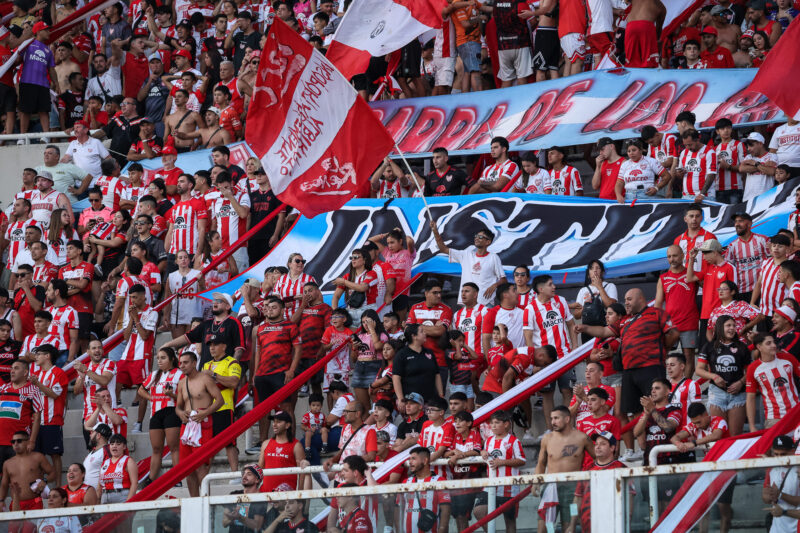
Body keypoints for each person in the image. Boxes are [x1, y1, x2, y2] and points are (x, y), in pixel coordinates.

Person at [577, 288, 679, 419]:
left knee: (656, 405)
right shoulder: (624, 320)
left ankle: (658, 432)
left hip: (651, 367)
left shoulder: (656, 313)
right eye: (625, 300)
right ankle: (642, 434)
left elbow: (674, 334)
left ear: (640, 298)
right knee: (634, 410)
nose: (626, 303)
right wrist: (584, 328)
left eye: (629, 299)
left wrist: (665, 349)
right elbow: (603, 332)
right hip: (629, 371)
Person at [524, 274, 578, 421]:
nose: (554, 287)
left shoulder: (561, 301)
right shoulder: (530, 308)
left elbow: (571, 324)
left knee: (567, 391)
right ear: (540, 289)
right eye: (550, 284)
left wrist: (575, 348)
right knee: (547, 394)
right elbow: (528, 337)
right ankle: (550, 429)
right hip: (545, 361)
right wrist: (534, 362)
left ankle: (567, 426)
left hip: (565, 356)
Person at [533, 406, 593, 532]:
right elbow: (541, 463)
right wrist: (536, 481)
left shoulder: (582, 438)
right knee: (544, 527)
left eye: (556, 418)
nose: (553, 422)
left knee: (569, 527)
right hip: (550, 487)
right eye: (551, 418)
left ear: (567, 419)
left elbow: (598, 459)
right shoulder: (547, 438)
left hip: (573, 489)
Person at [252, 296, 302, 441]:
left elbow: (298, 349)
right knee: (263, 410)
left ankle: (290, 442)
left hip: (281, 374)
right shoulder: (261, 328)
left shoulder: (290, 326)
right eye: (268, 308)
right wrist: (255, 374)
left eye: (274, 307)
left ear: (282, 309)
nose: (270, 310)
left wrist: (292, 370)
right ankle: (262, 442)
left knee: (286, 408)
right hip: (262, 375)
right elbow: (258, 353)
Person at [175, 351, 224, 497]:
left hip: (203, 425)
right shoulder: (181, 383)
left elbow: (220, 400)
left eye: (185, 362)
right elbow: (178, 406)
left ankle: (205, 501)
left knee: (201, 466)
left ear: (194, 363)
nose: (182, 366)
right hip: (187, 425)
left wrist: (205, 413)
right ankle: (194, 501)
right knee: (187, 468)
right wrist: (180, 413)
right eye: (180, 363)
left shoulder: (205, 379)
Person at [430, 221, 505, 307]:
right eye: (476, 236)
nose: (477, 238)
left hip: (485, 303)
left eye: (480, 237)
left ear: (488, 242)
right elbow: (443, 249)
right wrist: (435, 231)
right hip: (466, 303)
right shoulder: (466, 254)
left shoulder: (493, 257)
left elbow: (503, 280)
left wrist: (495, 285)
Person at [138, 347, 182, 485]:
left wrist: (171, 395)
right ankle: (151, 479)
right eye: (158, 358)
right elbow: (141, 390)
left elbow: (184, 396)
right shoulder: (154, 374)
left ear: (172, 359)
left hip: (172, 411)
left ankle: (177, 478)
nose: (159, 361)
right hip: (155, 413)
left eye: (163, 358)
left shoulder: (180, 374)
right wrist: (151, 398)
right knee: (156, 449)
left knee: (174, 447)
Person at [163, 291, 244, 367]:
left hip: (223, 371)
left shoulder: (234, 323)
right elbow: (187, 337)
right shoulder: (206, 324)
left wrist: (232, 367)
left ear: (228, 306)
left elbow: (239, 349)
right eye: (214, 300)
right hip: (205, 370)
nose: (215, 302)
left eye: (219, 301)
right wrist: (167, 344)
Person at [568, 432, 627, 533]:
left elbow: (629, 500)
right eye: (596, 444)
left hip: (612, 526)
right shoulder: (586, 470)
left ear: (612, 448)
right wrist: (572, 525)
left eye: (603, 444)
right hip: (588, 527)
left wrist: (625, 523)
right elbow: (577, 499)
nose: (598, 447)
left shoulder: (622, 469)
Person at [29, 344, 68, 485]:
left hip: (53, 420)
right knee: (37, 456)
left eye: (39, 354)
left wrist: (37, 384)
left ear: (47, 356)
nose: (36, 357)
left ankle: (58, 487)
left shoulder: (58, 373)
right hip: (37, 422)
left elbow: (54, 394)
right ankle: (39, 487)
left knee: (55, 454)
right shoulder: (37, 374)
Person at [204, 335, 242, 475]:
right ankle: (204, 477)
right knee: (208, 445)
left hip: (225, 407)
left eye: (215, 344)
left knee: (229, 443)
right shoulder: (206, 365)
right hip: (208, 408)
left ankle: (235, 474)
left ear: (224, 346)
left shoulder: (232, 362)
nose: (212, 348)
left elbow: (234, 382)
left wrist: (214, 375)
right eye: (210, 345)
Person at [746, 332, 800, 429]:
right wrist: (752, 426)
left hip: (796, 413)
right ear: (759, 347)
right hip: (774, 419)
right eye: (768, 343)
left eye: (774, 342)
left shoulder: (787, 358)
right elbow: (750, 398)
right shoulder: (753, 368)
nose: (774, 345)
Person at [407, 279, 452, 386]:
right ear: (426, 293)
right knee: (419, 395)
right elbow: (408, 331)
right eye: (435, 293)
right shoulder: (415, 308)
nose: (439, 295)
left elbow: (439, 331)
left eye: (440, 292)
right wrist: (433, 328)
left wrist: (417, 327)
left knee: (438, 395)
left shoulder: (446, 309)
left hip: (439, 361)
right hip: (417, 360)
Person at [0, 360, 43, 471]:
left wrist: (32, 441)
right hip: (0, 440)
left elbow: (37, 417)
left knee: (18, 476)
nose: (12, 371)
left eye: (16, 368)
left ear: (25, 372)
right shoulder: (3, 388)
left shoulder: (33, 390)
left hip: (18, 442)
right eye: (11, 368)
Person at [397, 447, 451, 533]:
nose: (410, 462)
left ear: (425, 461)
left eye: (414, 459)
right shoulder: (406, 482)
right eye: (409, 459)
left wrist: (442, 529)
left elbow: (445, 509)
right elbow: (398, 507)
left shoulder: (439, 481)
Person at [0, 430, 54, 511]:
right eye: (13, 442)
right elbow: (4, 485)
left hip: (35, 502)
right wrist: (1, 500)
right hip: (16, 503)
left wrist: (45, 481)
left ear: (28, 442)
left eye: (19, 441)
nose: (15, 444)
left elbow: (53, 473)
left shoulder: (38, 457)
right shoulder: (7, 463)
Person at [725, 212, 770, 303]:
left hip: (763, 288)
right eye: (736, 222)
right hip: (742, 291)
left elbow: (772, 260)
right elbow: (728, 268)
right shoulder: (732, 246)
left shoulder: (763, 240)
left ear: (749, 224)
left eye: (740, 221)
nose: (737, 224)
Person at [258, 410, 307, 493]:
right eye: (274, 422)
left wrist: (300, 493)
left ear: (287, 425)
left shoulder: (296, 445)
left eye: (278, 422)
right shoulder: (265, 443)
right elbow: (259, 469)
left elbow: (302, 472)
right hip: (265, 494)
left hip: (286, 496)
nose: (274, 424)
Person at [393, 325, 443, 403]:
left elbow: (437, 374)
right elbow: (396, 377)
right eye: (422, 332)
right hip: (410, 401)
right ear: (414, 336)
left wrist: (441, 394)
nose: (425, 333)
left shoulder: (429, 352)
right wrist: (400, 398)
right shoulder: (402, 354)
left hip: (430, 400)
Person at [762, 435, 800, 531]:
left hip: (795, 528)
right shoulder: (771, 468)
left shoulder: (798, 470)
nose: (779, 458)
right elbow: (765, 497)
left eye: (783, 454)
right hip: (776, 528)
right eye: (776, 454)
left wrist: (780, 495)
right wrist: (769, 496)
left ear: (792, 451)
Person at [752, 234, 791, 327]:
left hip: (780, 313)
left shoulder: (790, 267)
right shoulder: (766, 262)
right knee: (762, 336)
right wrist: (752, 302)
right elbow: (759, 283)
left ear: (787, 249)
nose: (776, 248)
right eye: (774, 245)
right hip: (763, 312)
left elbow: (792, 289)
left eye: (780, 246)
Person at [224, 464, 269, 533]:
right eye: (244, 474)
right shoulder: (234, 495)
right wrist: (231, 518)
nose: (244, 476)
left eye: (249, 474)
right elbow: (224, 523)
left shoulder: (260, 498)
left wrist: (239, 517)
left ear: (257, 480)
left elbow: (257, 526)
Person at [97, 433, 137, 503]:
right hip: (105, 496)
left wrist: (128, 502)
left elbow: (134, 483)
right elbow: (99, 485)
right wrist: (97, 502)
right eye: (112, 444)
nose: (114, 446)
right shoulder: (105, 462)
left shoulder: (128, 461)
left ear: (124, 446)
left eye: (118, 444)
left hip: (122, 496)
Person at [625, 0, 666, 68]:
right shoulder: (658, 5)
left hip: (630, 26)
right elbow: (659, 28)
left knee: (631, 62)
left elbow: (626, 1)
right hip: (646, 26)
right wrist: (657, 39)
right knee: (649, 62)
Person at [714, 118, 746, 204]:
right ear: (717, 131)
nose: (726, 130)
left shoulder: (739, 145)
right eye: (722, 128)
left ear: (731, 129)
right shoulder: (715, 149)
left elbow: (744, 167)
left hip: (736, 187)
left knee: (735, 212)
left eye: (728, 128)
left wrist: (728, 167)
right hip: (718, 188)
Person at [740, 131, 777, 201]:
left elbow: (772, 171)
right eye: (747, 146)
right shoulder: (748, 157)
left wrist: (755, 163)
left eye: (751, 145)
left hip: (766, 198)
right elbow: (742, 168)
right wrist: (763, 166)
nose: (748, 148)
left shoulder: (772, 156)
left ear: (760, 144)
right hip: (748, 198)